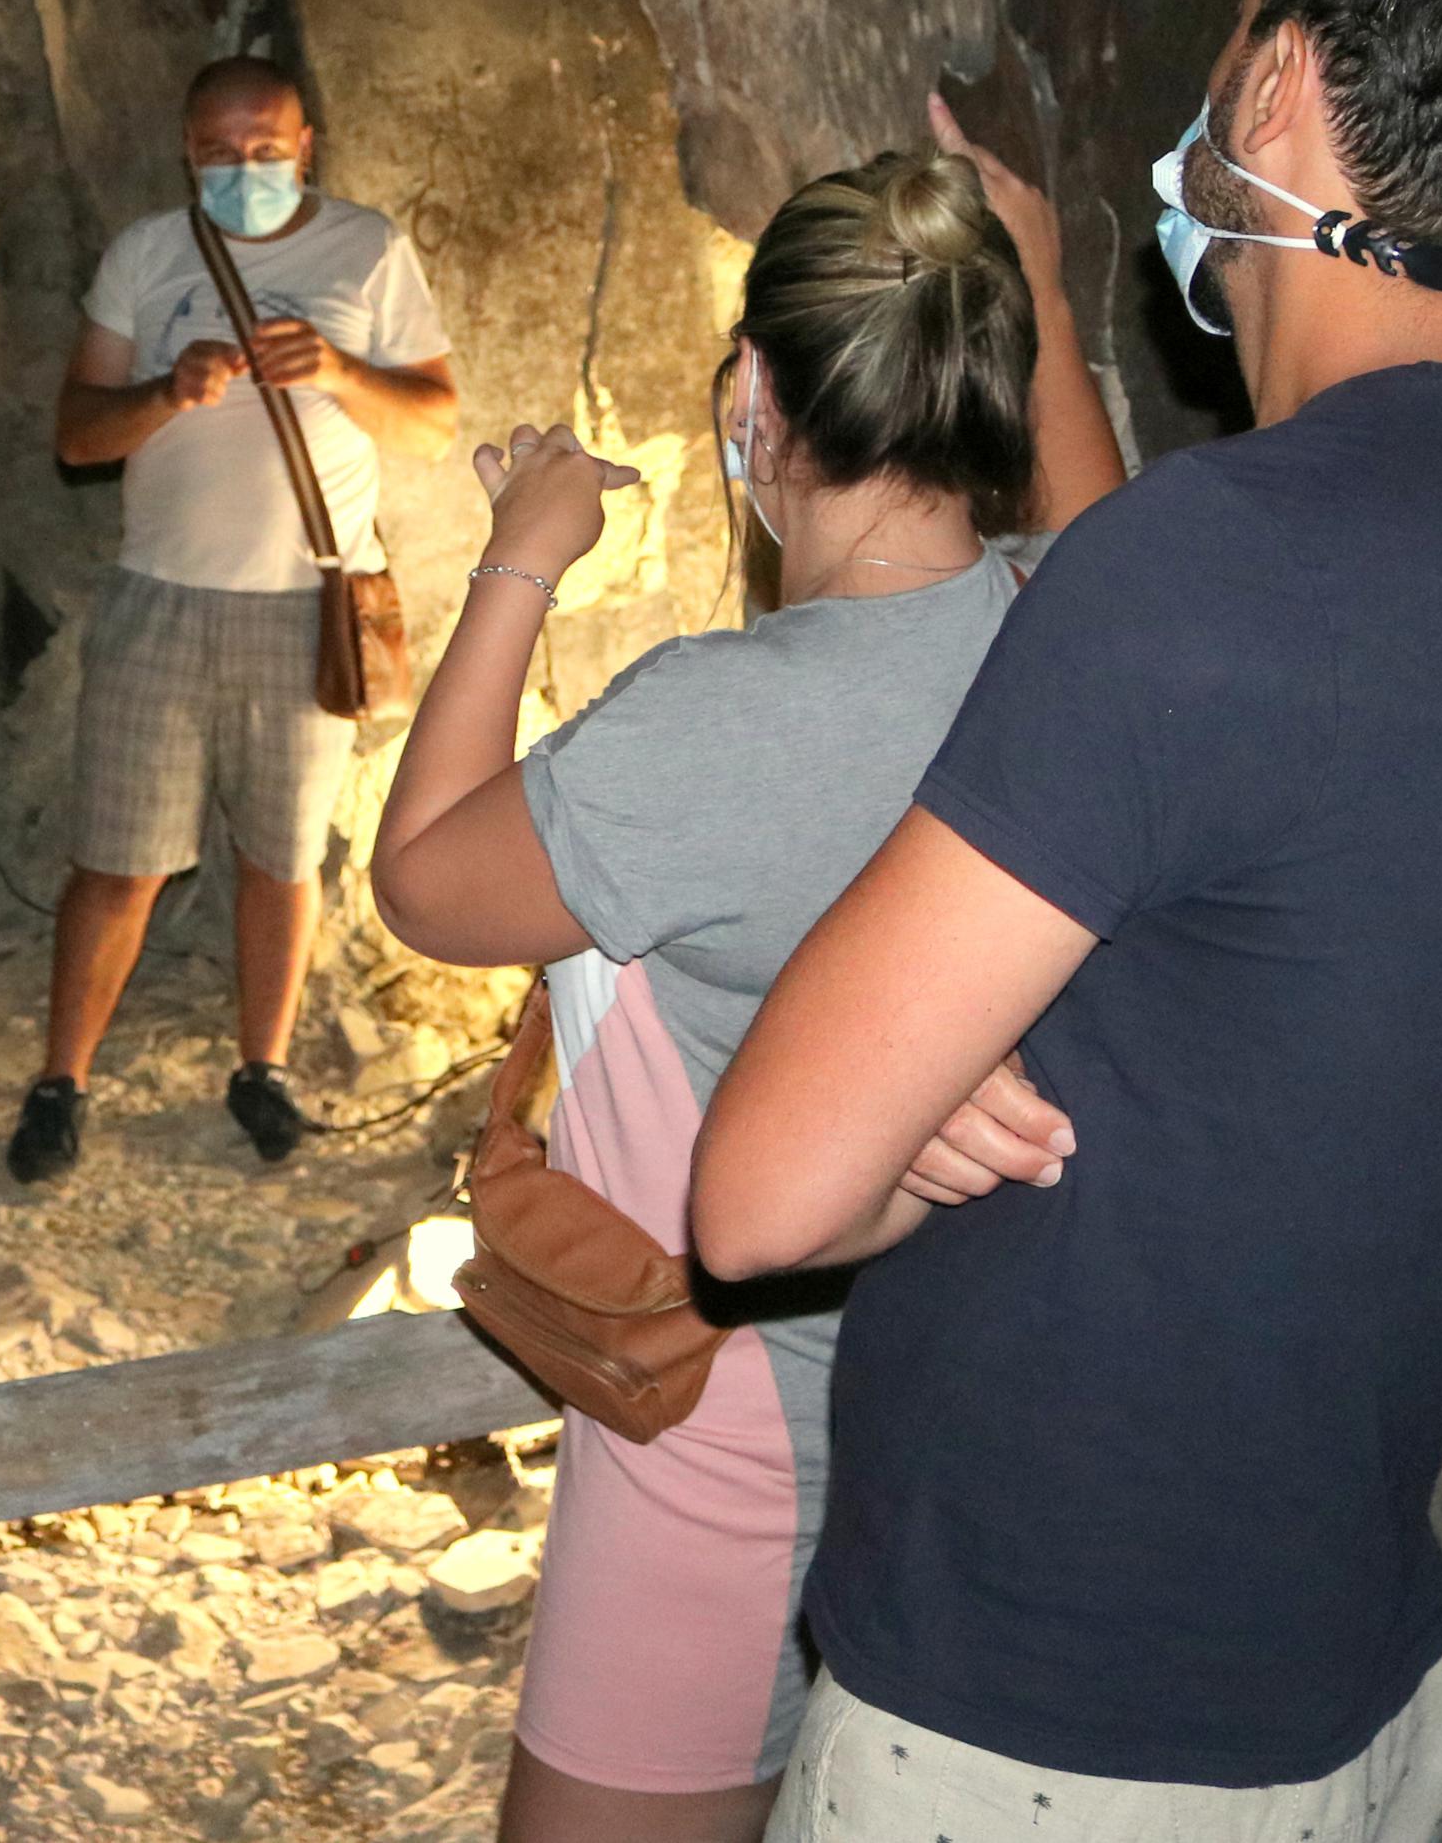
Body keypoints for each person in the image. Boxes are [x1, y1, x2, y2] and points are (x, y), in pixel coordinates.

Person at [691, 0, 1442, 1843]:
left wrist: (908, 1093)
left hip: (1036, 1717)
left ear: (1276, 87)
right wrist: (1051, 314)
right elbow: (1223, 812)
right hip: (1335, 1675)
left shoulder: (1205, 577)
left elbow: (759, 1200)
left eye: (1229, 48)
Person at [369, 104, 1127, 1843]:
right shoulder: (1077, 630)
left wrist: (522, 554)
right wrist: (1052, 303)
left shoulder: (711, 729)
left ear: (751, 407)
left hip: (723, 1437)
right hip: (973, 1401)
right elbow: (1115, 532)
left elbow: (424, 881)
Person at [9, 55, 461, 1184]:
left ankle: (260, 1069)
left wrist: (343, 369)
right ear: (185, 151)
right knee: (118, 861)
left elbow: (433, 426)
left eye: (265, 149)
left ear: (307, 144)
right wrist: (166, 390)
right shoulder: (149, 255)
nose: (242, 169)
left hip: (306, 604)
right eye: (217, 152)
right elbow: (74, 434)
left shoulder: (367, 250)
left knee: (281, 855)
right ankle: (60, 1078)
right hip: (160, 596)